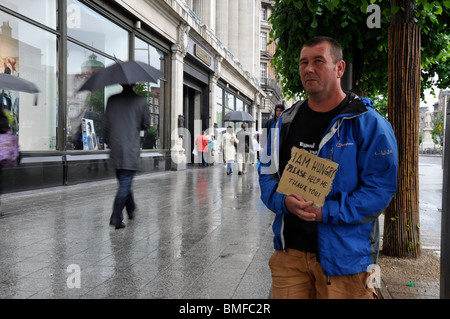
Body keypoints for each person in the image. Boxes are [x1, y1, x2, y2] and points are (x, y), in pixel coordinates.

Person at [258, 36, 398, 299]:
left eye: (318, 61)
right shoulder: (282, 123)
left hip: (347, 262)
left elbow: (379, 191)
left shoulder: (370, 124)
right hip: (291, 256)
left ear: (340, 68)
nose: (308, 68)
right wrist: (284, 201)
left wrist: (328, 211)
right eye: (304, 62)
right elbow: (266, 174)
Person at [103, 84, 150, 229]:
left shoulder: (112, 100)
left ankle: (131, 209)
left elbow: (105, 125)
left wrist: (108, 142)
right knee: (125, 182)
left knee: (124, 181)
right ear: (135, 84)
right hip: (130, 148)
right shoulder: (141, 101)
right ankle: (116, 216)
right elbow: (146, 124)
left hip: (116, 147)